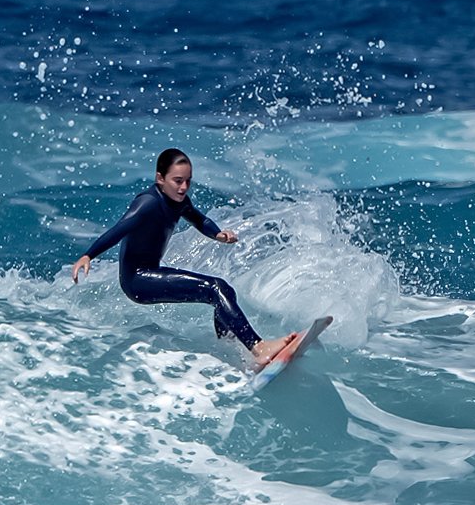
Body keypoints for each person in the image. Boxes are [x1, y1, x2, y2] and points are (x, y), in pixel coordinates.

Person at [72, 148, 306, 369]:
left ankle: (234, 350)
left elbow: (198, 219)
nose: (184, 187)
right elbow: (119, 229)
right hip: (137, 280)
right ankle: (258, 347)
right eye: (177, 181)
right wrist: (88, 255)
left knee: (225, 291)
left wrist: (217, 234)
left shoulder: (178, 201)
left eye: (188, 181)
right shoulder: (148, 203)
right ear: (160, 179)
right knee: (215, 289)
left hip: (150, 272)